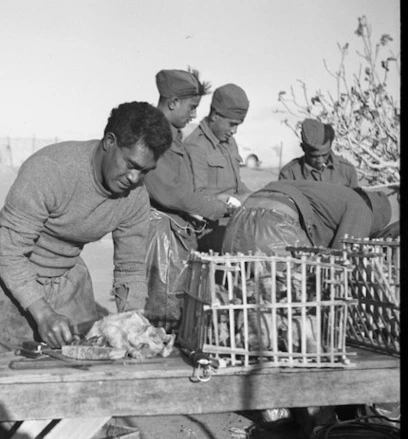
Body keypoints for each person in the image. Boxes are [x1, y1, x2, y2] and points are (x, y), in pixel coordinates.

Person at [0, 101, 172, 352]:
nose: (134, 179)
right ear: (109, 142)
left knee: (85, 357)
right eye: (131, 165)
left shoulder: (135, 197)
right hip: (10, 274)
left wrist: (133, 325)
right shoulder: (51, 169)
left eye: (145, 172)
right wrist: (43, 313)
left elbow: (130, 269)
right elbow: (8, 252)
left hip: (67, 274)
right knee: (12, 365)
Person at [143, 69, 240, 332]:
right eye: (192, 107)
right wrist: (219, 208)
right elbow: (174, 194)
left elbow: (185, 189)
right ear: (173, 103)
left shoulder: (171, 135)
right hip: (161, 236)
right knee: (162, 317)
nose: (195, 115)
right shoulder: (154, 136)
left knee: (175, 312)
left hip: (174, 234)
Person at [221, 180, 392, 255]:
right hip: (274, 222)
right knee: (290, 291)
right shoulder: (362, 209)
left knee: (241, 292)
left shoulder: (338, 194)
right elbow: (343, 257)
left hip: (242, 215)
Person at [184, 83, 252, 251]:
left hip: (233, 227)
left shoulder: (230, 143)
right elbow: (195, 197)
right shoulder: (196, 146)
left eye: (238, 125)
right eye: (231, 124)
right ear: (215, 115)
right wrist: (231, 200)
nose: (234, 131)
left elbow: (238, 184)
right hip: (208, 234)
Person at [278, 118, 358, 187]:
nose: (320, 160)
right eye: (314, 156)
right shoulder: (289, 174)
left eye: (325, 155)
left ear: (330, 147)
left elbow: (355, 203)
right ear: (303, 148)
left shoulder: (347, 170)